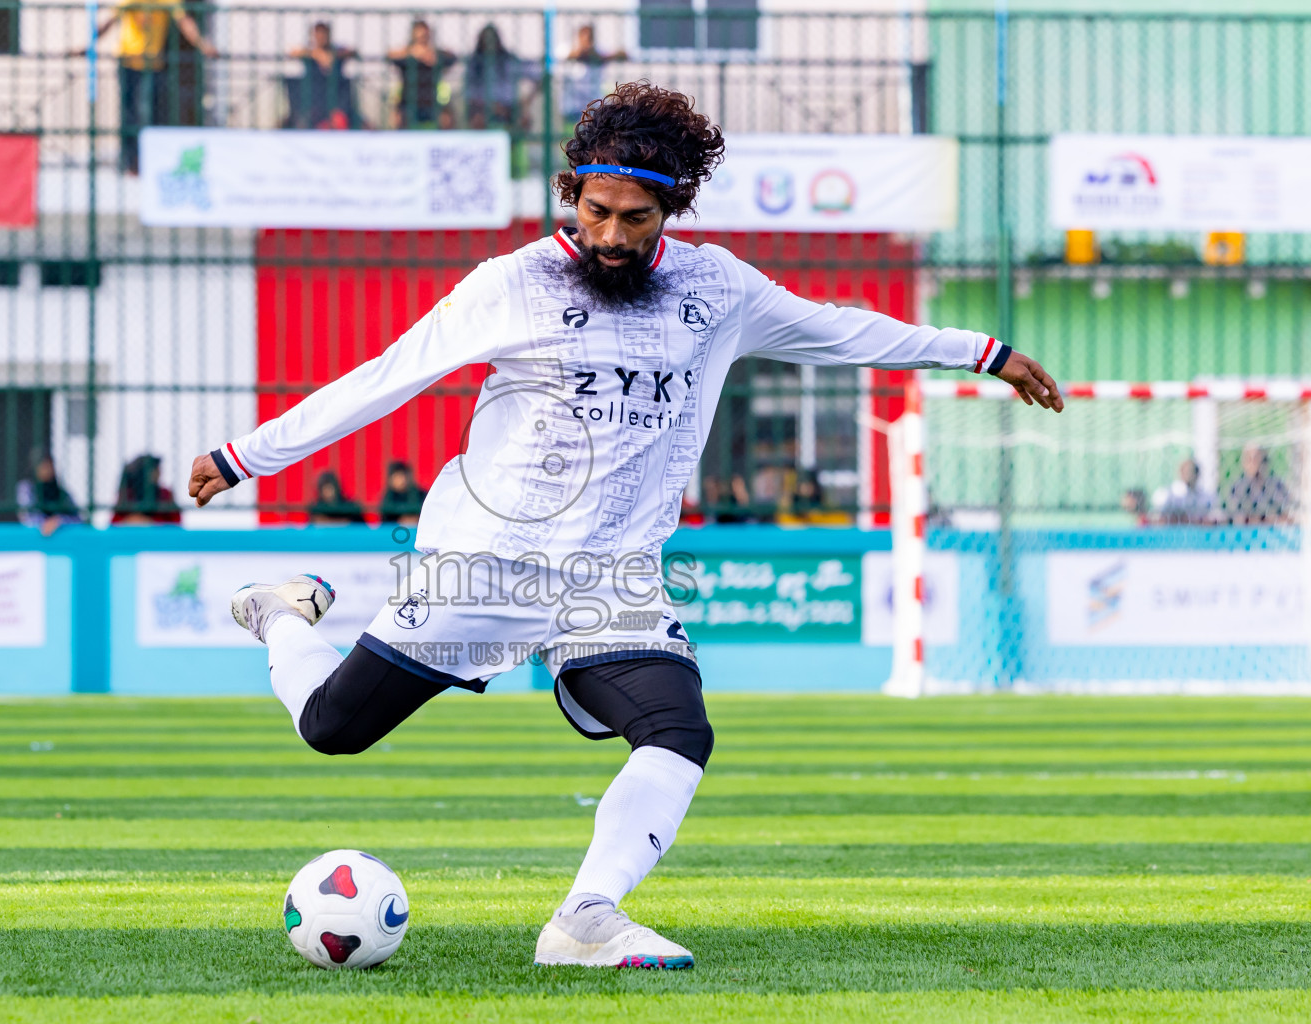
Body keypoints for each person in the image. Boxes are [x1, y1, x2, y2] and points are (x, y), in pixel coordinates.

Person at [187, 82, 1064, 970]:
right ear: (573, 192)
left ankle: (584, 919)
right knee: (334, 731)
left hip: (612, 580)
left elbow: (838, 332)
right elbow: (387, 376)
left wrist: (980, 353)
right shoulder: (513, 283)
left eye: (635, 217)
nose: (610, 234)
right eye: (596, 210)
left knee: (679, 729)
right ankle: (283, 613)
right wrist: (247, 457)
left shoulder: (717, 287)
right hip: (485, 565)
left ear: (670, 208)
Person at [85, 0, 219, 174]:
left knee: (157, 114)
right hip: (129, 62)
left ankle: (154, 160)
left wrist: (202, 45)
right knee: (130, 114)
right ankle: (131, 162)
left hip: (154, 63)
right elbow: (109, 21)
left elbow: (185, 22)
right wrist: (89, 45)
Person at [463, 24, 538, 131]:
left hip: (508, 108)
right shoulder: (474, 63)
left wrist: (526, 101)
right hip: (482, 108)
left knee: (523, 120)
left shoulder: (509, 61)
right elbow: (470, 94)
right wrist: (491, 107)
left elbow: (539, 75)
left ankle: (513, 146)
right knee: (477, 120)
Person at [288, 22, 360, 130]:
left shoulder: (336, 51)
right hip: (314, 101)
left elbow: (353, 52)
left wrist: (333, 56)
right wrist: (316, 54)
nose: (321, 37)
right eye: (318, 35)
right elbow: (293, 52)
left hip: (337, 99)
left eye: (324, 34)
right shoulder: (309, 52)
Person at [387, 20, 456, 129]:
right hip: (408, 103)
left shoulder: (434, 55)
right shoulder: (407, 55)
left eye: (424, 36)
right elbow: (390, 55)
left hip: (431, 102)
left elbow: (452, 57)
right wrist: (413, 53)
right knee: (398, 118)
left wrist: (432, 55)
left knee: (446, 118)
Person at [561, 24, 625, 126]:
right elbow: (573, 54)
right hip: (574, 104)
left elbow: (623, 54)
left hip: (594, 102)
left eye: (589, 38)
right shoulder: (568, 49)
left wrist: (602, 57)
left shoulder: (598, 51)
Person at [16, 450, 83, 536]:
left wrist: (59, 520)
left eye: (50, 465)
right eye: (43, 465)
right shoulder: (26, 488)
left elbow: (78, 519)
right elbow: (27, 519)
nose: (48, 469)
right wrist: (44, 523)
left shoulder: (61, 492)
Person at [1224, 444, 1293, 524]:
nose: (1253, 463)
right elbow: (1235, 516)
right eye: (1249, 459)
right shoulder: (1237, 488)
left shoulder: (1276, 485)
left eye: (1256, 458)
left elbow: (1285, 513)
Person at [112, 454, 182, 525]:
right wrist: (131, 520)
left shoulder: (165, 494)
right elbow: (114, 523)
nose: (159, 473)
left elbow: (176, 522)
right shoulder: (128, 494)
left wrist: (151, 522)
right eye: (155, 470)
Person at [1150, 457, 1214, 525]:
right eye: (1187, 472)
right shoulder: (1167, 494)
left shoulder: (1206, 496)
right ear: (1181, 473)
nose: (1190, 476)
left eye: (1192, 472)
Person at [378, 461, 426, 526]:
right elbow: (385, 519)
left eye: (401, 476)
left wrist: (415, 519)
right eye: (396, 476)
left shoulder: (420, 495)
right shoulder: (389, 497)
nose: (400, 480)